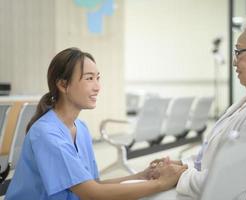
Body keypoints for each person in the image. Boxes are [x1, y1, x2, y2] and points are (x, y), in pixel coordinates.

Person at [148, 17, 246, 199]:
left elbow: (228, 185)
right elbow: (215, 159)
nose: (234, 62)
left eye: (238, 51)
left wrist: (179, 175)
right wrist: (181, 164)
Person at [5, 47, 187, 200]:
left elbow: (93, 185)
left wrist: (142, 176)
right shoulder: (46, 133)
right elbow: (92, 193)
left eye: (98, 78)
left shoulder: (81, 129)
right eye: (89, 78)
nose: (98, 86)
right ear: (63, 85)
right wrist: (160, 184)